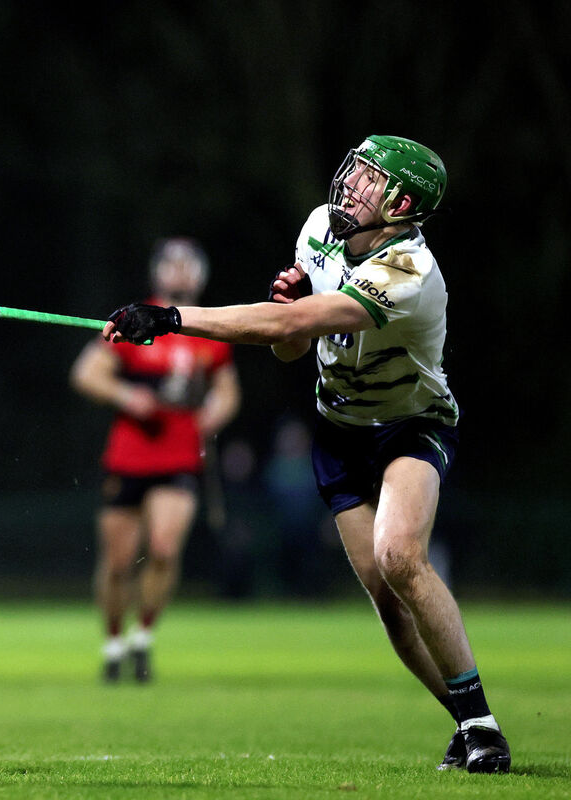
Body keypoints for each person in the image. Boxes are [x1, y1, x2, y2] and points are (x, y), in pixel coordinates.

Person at [103, 135, 509, 773]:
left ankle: (484, 724)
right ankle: (466, 720)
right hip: (339, 430)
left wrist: (172, 317)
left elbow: (287, 328)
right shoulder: (321, 228)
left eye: (369, 178)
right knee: (384, 594)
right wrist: (290, 305)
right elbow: (291, 345)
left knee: (399, 556)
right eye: (353, 168)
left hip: (410, 425)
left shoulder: (409, 273)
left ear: (401, 204)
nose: (349, 183)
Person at [71, 238, 240, 683]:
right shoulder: (135, 319)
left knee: (164, 549)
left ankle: (143, 637)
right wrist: (127, 395)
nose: (181, 273)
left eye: (190, 266)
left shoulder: (209, 329)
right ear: (158, 272)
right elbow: (87, 372)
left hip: (181, 454)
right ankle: (112, 642)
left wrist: (213, 414)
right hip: (128, 453)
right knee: (118, 561)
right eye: (173, 265)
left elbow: (227, 392)